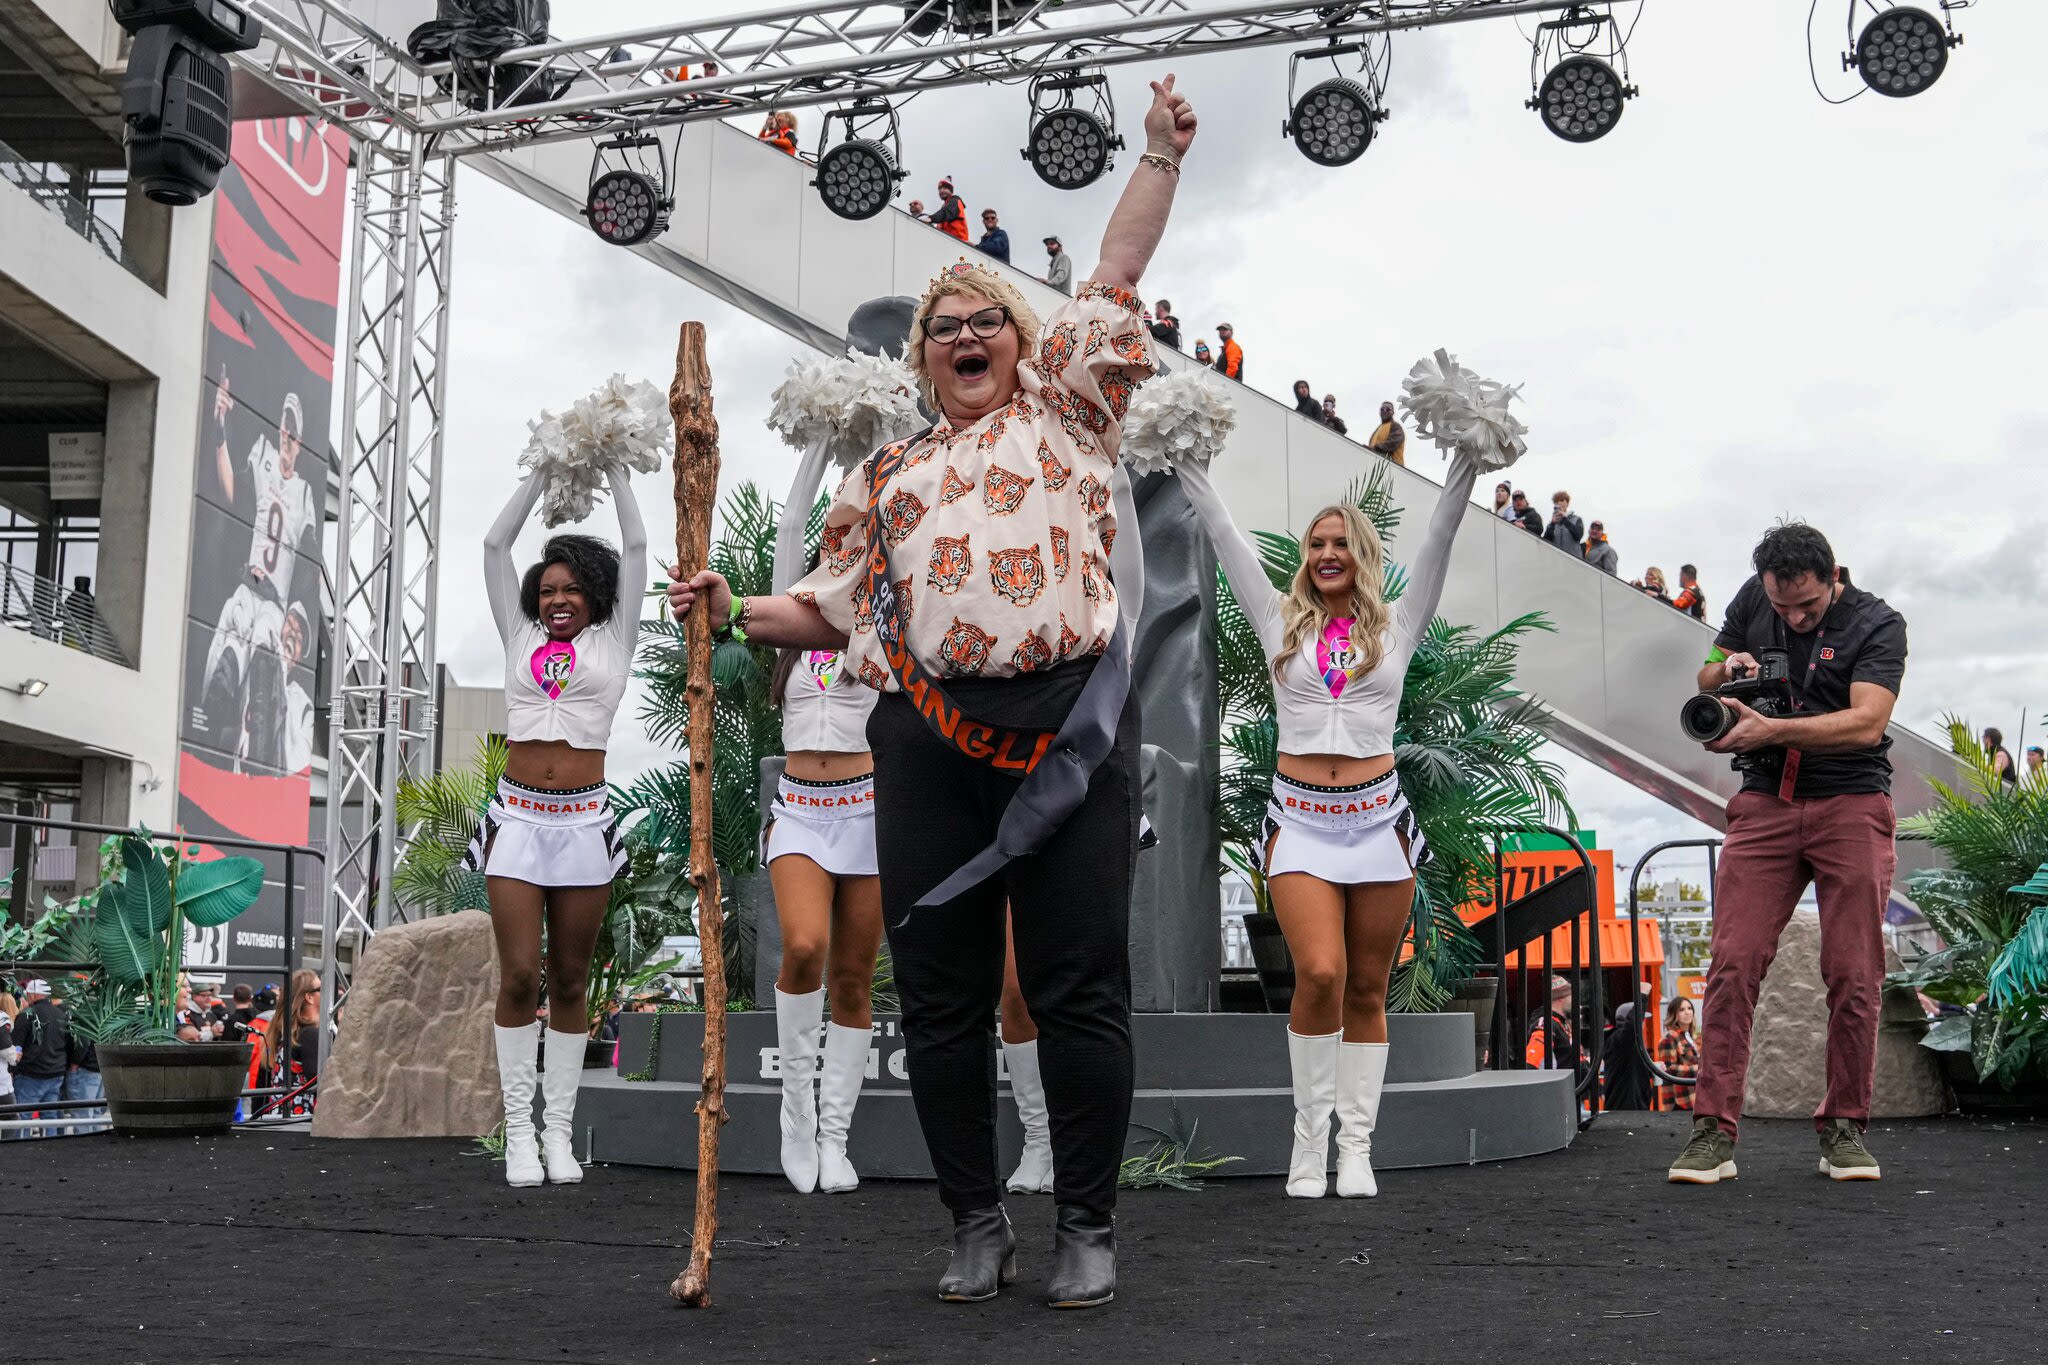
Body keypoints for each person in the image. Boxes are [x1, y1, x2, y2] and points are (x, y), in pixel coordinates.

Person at [669, 73, 1196, 1309]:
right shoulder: (888, 472)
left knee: (1073, 987)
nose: (966, 334)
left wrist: (1159, 153)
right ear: (923, 360)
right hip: (925, 744)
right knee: (943, 996)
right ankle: (972, 1222)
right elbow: (826, 605)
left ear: (1022, 344)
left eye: (987, 320)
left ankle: (1083, 1221)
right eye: (944, 326)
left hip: (1065, 730)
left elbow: (1111, 276)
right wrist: (725, 605)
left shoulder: (1070, 415)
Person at [1176, 370, 1491, 1203]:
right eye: (1315, 544)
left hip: (1379, 820)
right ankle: (1306, 1143)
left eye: (1339, 543)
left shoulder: (1399, 625)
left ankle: (1357, 1149)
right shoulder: (1279, 622)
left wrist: (1468, 459)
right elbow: (1225, 532)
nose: (1323, 555)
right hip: (1304, 823)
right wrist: (1181, 453)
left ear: (1361, 555)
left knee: (1365, 985)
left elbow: (1441, 540)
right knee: (1316, 971)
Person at [1668, 521, 1906, 1186]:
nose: (1793, 618)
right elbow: (1707, 670)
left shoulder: (1878, 624)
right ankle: (1712, 1131)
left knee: (1855, 973)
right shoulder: (1753, 598)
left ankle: (1844, 1129)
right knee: (1732, 962)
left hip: (1851, 801)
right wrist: (1728, 671)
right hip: (1766, 798)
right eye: (1781, 608)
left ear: (1835, 578)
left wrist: (1775, 726)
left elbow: (1868, 720)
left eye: (1806, 606)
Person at [474, 447, 646, 1189]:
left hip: (584, 823)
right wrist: (544, 470)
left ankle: (557, 1135)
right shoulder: (518, 639)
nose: (557, 599)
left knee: (572, 980)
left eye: (572, 588)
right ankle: (518, 1133)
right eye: (546, 589)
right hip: (517, 817)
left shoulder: (615, 641)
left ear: (596, 594)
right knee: (519, 976)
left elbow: (638, 545)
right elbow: (491, 544)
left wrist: (611, 465)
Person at [762, 481, 886, 1199]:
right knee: (803, 946)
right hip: (802, 810)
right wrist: (816, 439)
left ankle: (835, 1134)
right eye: (833, 546)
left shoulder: (884, 623)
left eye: (856, 547)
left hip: (869, 808)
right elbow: (786, 532)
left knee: (852, 977)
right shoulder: (795, 623)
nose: (842, 555)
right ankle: (796, 1119)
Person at [9, 980, 71, 1136]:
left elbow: (16, 1046)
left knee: (23, 1117)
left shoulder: (27, 1015)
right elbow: (69, 1044)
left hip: (30, 1074)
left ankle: (20, 1154)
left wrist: (13, 1069)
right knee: (49, 1117)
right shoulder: (60, 1015)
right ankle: (49, 1153)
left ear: (33, 994)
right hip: (55, 1073)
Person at [260, 968, 323, 1091]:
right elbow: (320, 1086)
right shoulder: (309, 1035)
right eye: (321, 989)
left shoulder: (279, 1035)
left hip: (280, 1110)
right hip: (305, 1110)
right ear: (309, 997)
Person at [1654, 997, 1700, 1112]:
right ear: (1674, 1014)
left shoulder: (1688, 1036)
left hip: (1693, 1099)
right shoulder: (1670, 1037)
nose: (1687, 1012)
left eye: (1689, 1008)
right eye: (1682, 1010)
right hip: (1679, 1102)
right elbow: (1669, 1069)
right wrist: (1699, 1069)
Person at [928, 177, 970, 243]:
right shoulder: (944, 207)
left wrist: (931, 218)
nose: (941, 191)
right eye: (940, 189)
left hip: (959, 243)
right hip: (948, 242)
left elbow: (947, 212)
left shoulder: (955, 201)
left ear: (951, 190)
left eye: (945, 188)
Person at [1543, 491, 1583, 556]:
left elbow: (1578, 536)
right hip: (1556, 560)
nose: (1559, 503)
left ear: (1567, 503)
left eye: (1562, 500)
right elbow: (1546, 541)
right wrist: (1552, 524)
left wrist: (1565, 519)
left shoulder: (1576, 519)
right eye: (1556, 501)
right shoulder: (1552, 524)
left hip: (1573, 560)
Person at [1366, 401, 1405, 467]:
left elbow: (1393, 442)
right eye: (1382, 409)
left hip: (1392, 467)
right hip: (1375, 463)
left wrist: (1375, 448)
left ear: (1393, 412)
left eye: (1388, 409)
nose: (1384, 411)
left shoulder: (1395, 426)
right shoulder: (1378, 429)